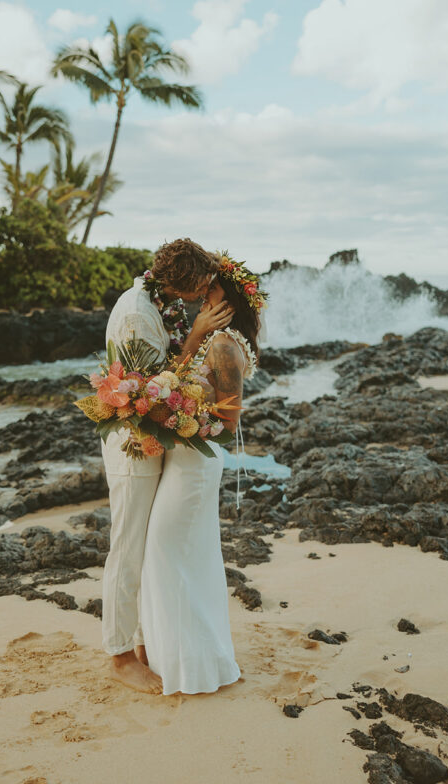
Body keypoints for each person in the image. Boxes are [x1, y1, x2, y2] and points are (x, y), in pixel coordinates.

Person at [102, 238, 235, 694]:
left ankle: (143, 642)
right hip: (133, 444)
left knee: (147, 544)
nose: (204, 294)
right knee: (128, 545)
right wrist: (197, 335)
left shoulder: (161, 302)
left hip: (155, 442)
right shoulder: (138, 313)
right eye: (200, 286)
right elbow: (148, 394)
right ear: (179, 283)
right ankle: (119, 655)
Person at [139, 252, 266, 695]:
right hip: (184, 458)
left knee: (168, 553)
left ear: (228, 301)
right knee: (173, 556)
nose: (201, 297)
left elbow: (228, 422)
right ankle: (174, 658)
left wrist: (180, 423)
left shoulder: (225, 346)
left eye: (211, 291)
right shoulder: (210, 339)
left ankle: (190, 666)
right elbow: (178, 377)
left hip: (196, 461)